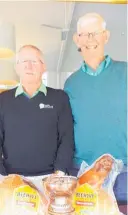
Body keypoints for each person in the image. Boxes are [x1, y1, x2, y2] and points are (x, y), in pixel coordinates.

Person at [64, 13, 127, 204]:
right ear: (77, 39)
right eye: (84, 34)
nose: (90, 39)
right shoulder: (71, 83)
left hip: (124, 172)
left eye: (95, 33)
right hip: (83, 171)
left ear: (106, 36)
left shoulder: (125, 72)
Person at [0, 45, 74, 177]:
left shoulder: (59, 98)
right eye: (24, 61)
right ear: (17, 68)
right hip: (11, 179)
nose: (29, 66)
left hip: (50, 178)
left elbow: (67, 138)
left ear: (43, 67)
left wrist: (59, 174)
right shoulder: (3, 100)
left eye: (34, 61)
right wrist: (3, 176)